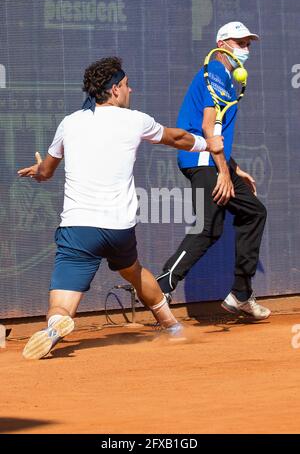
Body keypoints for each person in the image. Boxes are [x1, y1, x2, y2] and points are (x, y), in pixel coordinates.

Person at [18, 56, 223, 360]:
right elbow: (177, 137)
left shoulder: (69, 123)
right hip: (119, 229)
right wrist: (209, 144)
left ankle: (54, 325)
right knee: (135, 271)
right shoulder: (135, 120)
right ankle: (172, 327)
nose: (131, 90)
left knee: (61, 304)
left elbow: (46, 172)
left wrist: (37, 170)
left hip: (79, 229)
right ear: (114, 90)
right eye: (127, 86)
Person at [156, 22, 271, 320]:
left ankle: (241, 294)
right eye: (240, 42)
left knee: (253, 211)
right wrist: (223, 172)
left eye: (248, 44)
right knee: (207, 228)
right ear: (222, 44)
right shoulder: (217, 72)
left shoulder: (224, 78)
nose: (245, 49)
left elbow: (216, 130)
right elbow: (208, 128)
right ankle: (162, 286)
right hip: (203, 161)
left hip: (214, 160)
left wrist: (235, 169)